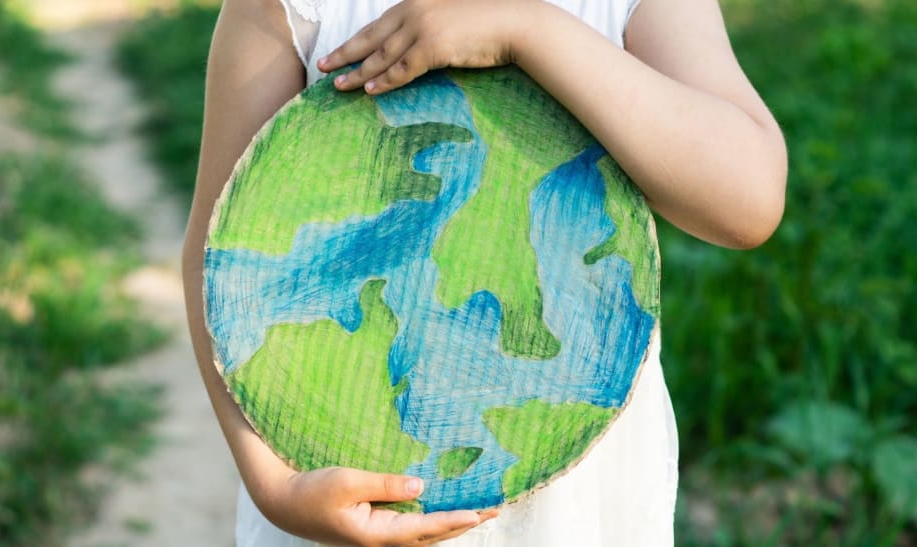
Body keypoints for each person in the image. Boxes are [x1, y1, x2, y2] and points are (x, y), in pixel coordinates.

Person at [182, 0, 788, 545]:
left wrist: (528, 29)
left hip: (568, 514)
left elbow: (748, 200)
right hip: (339, 498)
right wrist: (274, 486)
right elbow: (220, 260)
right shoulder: (292, 8)